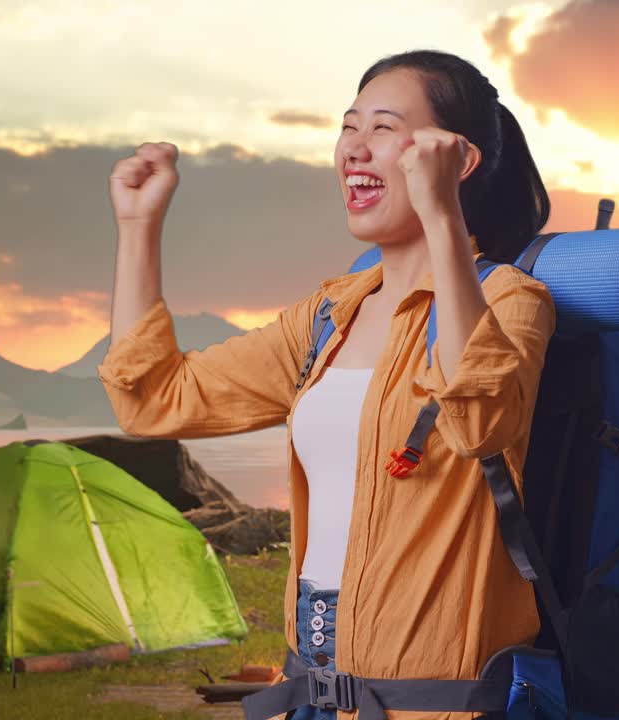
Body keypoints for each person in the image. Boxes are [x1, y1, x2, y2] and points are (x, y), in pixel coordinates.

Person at [98, 49, 555, 720]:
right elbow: (151, 400)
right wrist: (138, 227)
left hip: (435, 701)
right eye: (349, 126)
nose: (354, 149)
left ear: (455, 159)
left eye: (383, 128)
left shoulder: (511, 301)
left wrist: (443, 217)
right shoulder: (327, 317)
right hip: (312, 683)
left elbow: (479, 421)